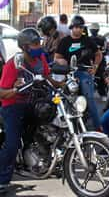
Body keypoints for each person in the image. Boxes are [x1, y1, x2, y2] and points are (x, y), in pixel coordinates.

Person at [0, 28, 51, 193]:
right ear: (25, 47)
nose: (39, 46)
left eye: (39, 43)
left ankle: (41, 158)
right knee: (12, 143)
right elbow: (1, 92)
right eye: (35, 44)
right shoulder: (14, 63)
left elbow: (48, 77)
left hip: (33, 103)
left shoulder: (41, 58)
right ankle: (2, 178)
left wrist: (64, 84)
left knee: (49, 123)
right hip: (13, 106)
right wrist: (15, 90)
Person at [55, 15, 103, 131]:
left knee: (90, 100)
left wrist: (95, 67)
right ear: (72, 28)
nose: (78, 29)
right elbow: (57, 57)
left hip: (84, 72)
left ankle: (99, 128)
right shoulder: (65, 41)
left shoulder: (87, 40)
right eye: (75, 27)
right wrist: (62, 62)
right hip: (68, 73)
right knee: (61, 99)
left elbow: (98, 54)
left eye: (80, 27)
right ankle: (62, 127)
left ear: (83, 29)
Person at [89, 23, 108, 101]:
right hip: (93, 60)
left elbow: (105, 50)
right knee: (94, 77)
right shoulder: (101, 38)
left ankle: (102, 93)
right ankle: (100, 93)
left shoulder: (101, 39)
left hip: (97, 60)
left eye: (94, 30)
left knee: (99, 77)